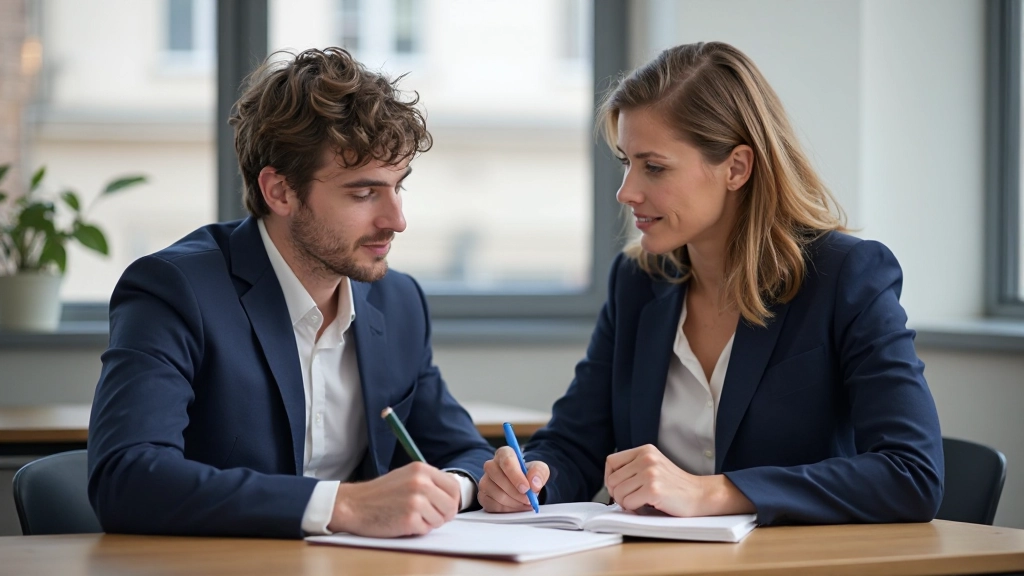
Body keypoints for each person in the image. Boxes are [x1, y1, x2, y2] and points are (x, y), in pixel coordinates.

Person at [478, 41, 943, 525]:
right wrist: (532, 478)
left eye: (654, 167)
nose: (627, 191)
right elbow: (576, 441)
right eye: (626, 162)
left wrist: (714, 493)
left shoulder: (846, 276)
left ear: (736, 168)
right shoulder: (637, 282)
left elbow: (911, 473)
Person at [87, 47, 494, 539]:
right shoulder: (175, 290)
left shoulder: (398, 301)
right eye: (363, 194)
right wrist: (341, 505)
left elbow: (465, 452)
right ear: (279, 192)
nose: (396, 220)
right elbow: (126, 478)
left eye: (398, 187)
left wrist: (456, 486)